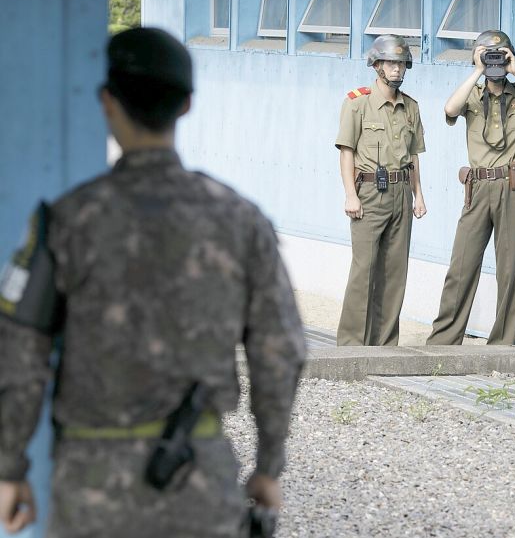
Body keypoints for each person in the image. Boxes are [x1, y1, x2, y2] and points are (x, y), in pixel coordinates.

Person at [0, 28, 306, 537]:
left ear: (107, 102)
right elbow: (280, 350)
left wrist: (10, 467)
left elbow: (17, 354)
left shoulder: (67, 221)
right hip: (199, 481)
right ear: (186, 105)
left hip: (91, 486)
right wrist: (269, 464)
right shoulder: (240, 221)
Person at [427, 30, 515, 346]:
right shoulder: (472, 93)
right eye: (489, 54)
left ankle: (501, 344)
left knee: (509, 269)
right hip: (478, 186)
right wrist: (477, 69)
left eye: (500, 54)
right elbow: (450, 110)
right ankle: (443, 340)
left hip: (513, 186)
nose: (494, 60)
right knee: (461, 264)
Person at [336, 34, 427, 346]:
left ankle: (385, 346)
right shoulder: (357, 103)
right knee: (364, 270)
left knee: (394, 272)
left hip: (402, 193)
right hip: (370, 193)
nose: (397, 69)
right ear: (376, 65)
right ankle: (350, 345)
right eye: (390, 63)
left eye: (401, 63)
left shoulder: (410, 107)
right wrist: (350, 194)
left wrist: (419, 195)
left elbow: (413, 155)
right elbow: (346, 152)